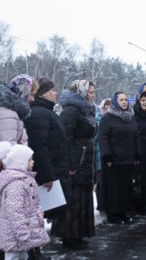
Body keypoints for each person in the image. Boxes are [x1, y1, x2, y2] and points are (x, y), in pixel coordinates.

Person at [51, 80, 97, 249]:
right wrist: (70, 163)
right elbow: (65, 139)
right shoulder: (71, 110)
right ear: (81, 92)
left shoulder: (86, 110)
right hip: (75, 163)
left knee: (82, 198)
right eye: (90, 92)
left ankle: (78, 234)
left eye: (93, 92)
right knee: (73, 200)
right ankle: (69, 236)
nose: (93, 95)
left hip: (84, 161)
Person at [24, 78, 72, 215]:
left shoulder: (46, 112)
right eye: (52, 90)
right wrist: (47, 176)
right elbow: (38, 147)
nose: (55, 93)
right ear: (42, 93)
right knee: (43, 212)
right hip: (49, 174)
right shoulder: (39, 113)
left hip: (56, 169)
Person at [0, 142, 50, 260]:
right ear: (20, 163)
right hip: (15, 236)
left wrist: (38, 212)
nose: (33, 162)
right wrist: (23, 234)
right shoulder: (16, 185)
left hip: (22, 235)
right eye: (30, 160)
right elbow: (14, 213)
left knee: (23, 256)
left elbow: (32, 203)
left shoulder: (26, 181)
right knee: (13, 257)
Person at [98, 91, 140, 224]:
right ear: (115, 102)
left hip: (128, 158)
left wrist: (137, 153)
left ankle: (123, 211)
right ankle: (113, 213)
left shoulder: (130, 117)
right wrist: (107, 156)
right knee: (113, 188)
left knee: (124, 187)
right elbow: (102, 138)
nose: (124, 102)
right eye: (121, 100)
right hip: (113, 160)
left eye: (126, 100)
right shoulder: (107, 118)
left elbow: (135, 136)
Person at [0, 75, 38, 144]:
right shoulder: (9, 114)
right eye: (31, 95)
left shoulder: (10, 111)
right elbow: (7, 148)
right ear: (23, 92)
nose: (33, 99)